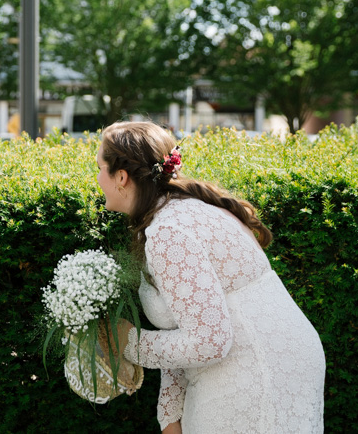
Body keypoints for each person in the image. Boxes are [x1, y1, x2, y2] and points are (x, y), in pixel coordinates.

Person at [96, 121, 325, 433]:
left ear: (121, 177)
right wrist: (170, 415)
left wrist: (127, 342)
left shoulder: (168, 232)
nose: (97, 180)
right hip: (279, 358)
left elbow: (208, 341)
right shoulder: (181, 211)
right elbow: (186, 324)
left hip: (253, 370)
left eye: (100, 169)